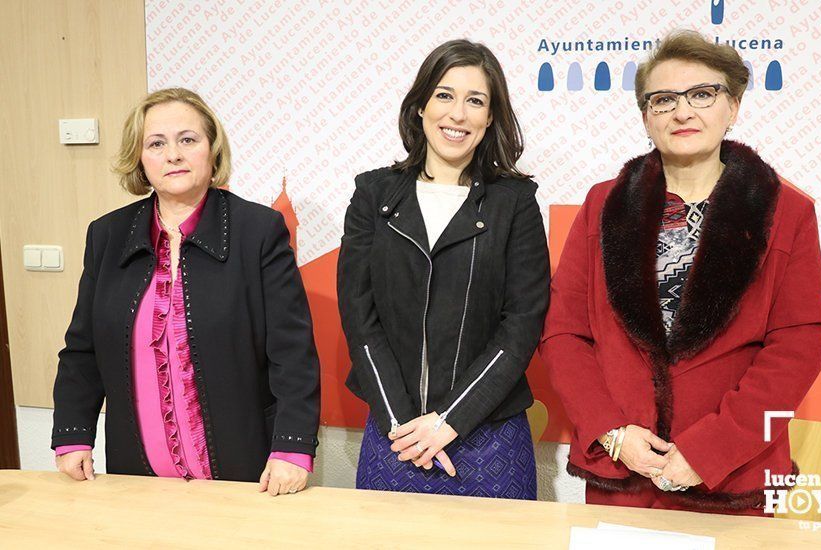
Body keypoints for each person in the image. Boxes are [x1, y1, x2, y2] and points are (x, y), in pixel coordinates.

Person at [540, 30, 821, 515]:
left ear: (732, 106)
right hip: (624, 476)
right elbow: (565, 333)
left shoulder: (787, 212)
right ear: (645, 115)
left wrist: (710, 449)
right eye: (664, 99)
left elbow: (797, 347)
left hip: (736, 477)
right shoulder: (602, 205)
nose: (682, 111)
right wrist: (612, 432)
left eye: (702, 94)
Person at [52, 88, 320, 496]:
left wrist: (292, 448)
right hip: (135, 475)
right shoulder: (106, 235)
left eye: (187, 140)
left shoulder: (258, 231)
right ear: (140, 159)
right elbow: (82, 349)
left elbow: (292, 351)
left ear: (212, 150)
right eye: (156, 143)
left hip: (246, 470)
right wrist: (73, 434)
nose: (172, 154)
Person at [338, 39, 549, 499]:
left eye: (475, 100)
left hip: (489, 436)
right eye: (445, 95)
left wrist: (451, 420)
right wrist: (402, 424)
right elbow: (360, 318)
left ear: (490, 116)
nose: (458, 114)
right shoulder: (374, 194)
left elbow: (522, 324)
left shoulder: (515, 202)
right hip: (398, 433)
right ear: (420, 106)